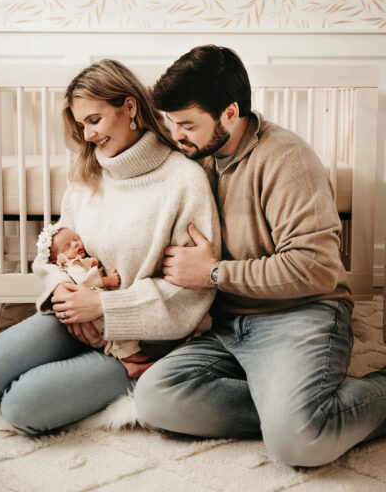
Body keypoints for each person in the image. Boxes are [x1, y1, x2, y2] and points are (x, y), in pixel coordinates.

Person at [134, 44, 386, 467]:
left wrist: (214, 273)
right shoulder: (196, 158)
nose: (176, 135)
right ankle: (287, 411)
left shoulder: (288, 159)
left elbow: (317, 269)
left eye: (187, 124)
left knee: (299, 445)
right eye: (171, 122)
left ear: (230, 113)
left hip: (301, 314)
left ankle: (298, 418)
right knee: (155, 399)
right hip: (230, 325)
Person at [0, 59, 220, 435]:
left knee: (21, 407)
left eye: (94, 120)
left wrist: (104, 307)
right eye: (82, 125)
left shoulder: (184, 180)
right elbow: (57, 246)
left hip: (143, 342)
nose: (89, 134)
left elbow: (192, 293)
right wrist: (60, 290)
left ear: (129, 107)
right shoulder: (88, 172)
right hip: (76, 321)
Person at [35, 224, 153, 378]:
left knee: (111, 341)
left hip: (86, 316)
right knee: (121, 330)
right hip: (88, 316)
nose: (75, 244)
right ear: (56, 261)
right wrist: (107, 280)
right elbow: (85, 280)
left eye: (76, 239)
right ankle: (131, 357)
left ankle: (129, 365)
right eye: (67, 246)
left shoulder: (75, 262)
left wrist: (91, 264)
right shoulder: (72, 264)